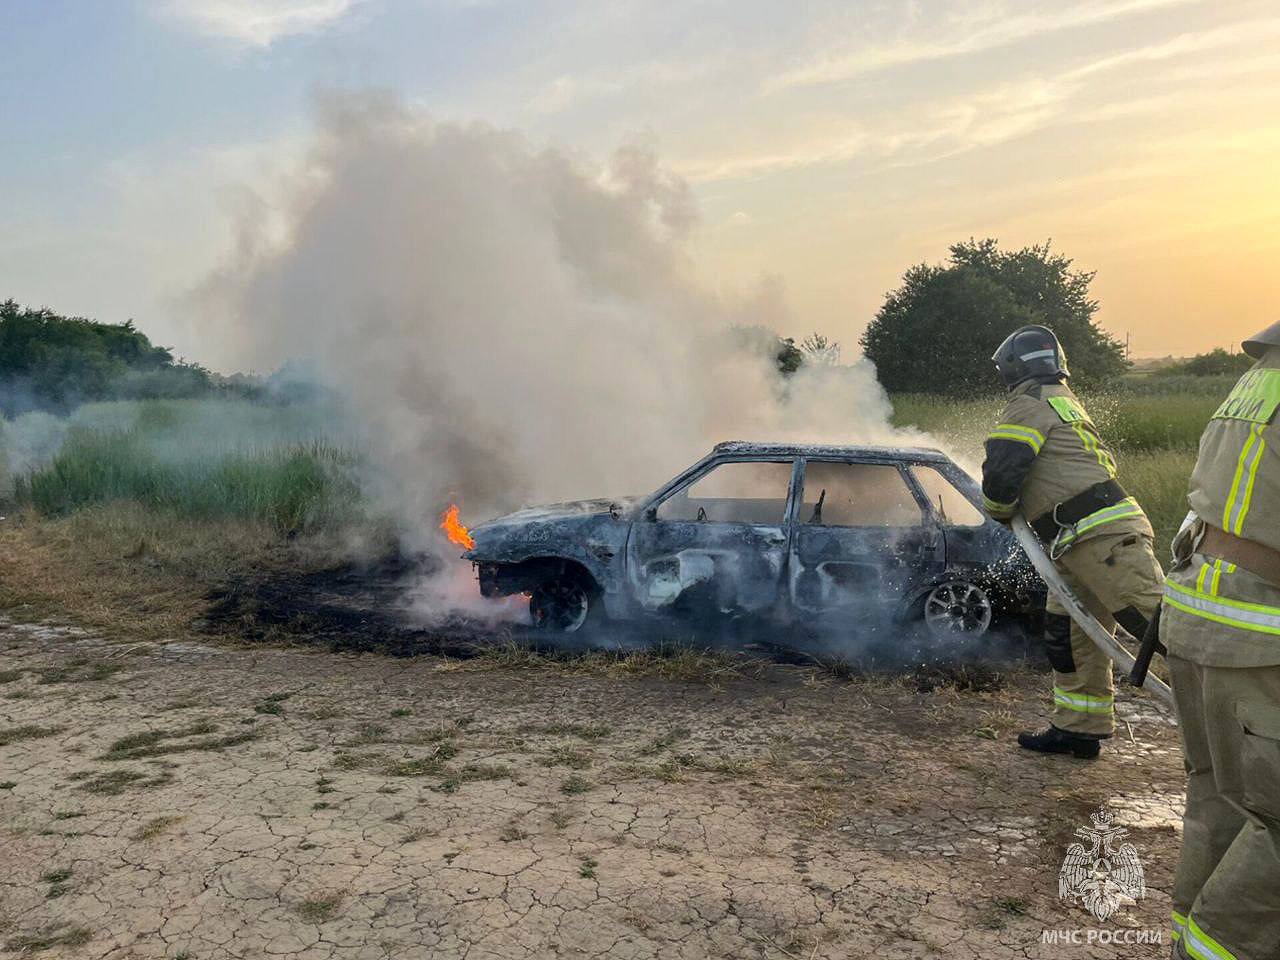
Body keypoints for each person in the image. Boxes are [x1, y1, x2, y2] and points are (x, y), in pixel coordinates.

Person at [981, 325, 1164, 758]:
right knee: (1070, 635)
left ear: (1011, 367)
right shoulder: (1060, 399)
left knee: (1163, 630)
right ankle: (1078, 728)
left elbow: (1004, 472)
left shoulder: (1028, 404)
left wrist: (998, 510)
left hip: (1103, 539)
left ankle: (1242, 709)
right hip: (1077, 543)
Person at [1163, 322, 1280, 960]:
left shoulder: (1261, 377)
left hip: (1203, 615)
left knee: (1221, 797)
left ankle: (1192, 942)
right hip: (1262, 635)